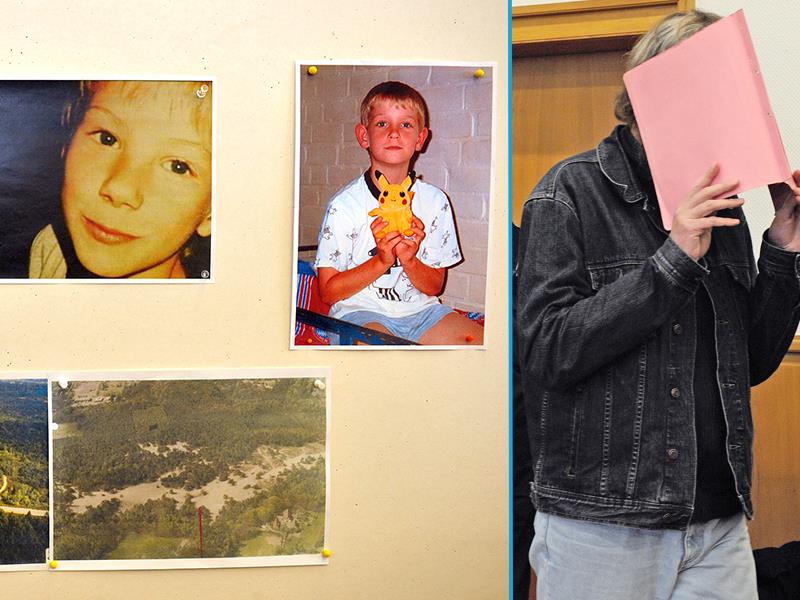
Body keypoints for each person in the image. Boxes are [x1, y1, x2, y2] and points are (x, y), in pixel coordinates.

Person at [515, 10, 800, 599]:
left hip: (719, 523)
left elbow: (749, 363)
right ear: (654, 94)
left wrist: (783, 244)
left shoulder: (725, 212)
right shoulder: (567, 195)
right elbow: (546, 353)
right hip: (603, 527)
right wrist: (673, 259)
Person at [314, 81, 483, 345]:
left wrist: (409, 259)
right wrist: (381, 261)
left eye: (405, 124)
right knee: (382, 355)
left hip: (422, 312)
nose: (394, 133)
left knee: (479, 344)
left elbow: (434, 287)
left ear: (420, 139)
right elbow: (327, 292)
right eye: (382, 124)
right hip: (359, 313)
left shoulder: (436, 202)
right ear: (363, 136)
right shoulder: (344, 206)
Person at [29, 80, 212, 279]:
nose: (119, 189)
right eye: (107, 138)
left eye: (178, 167)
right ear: (67, 143)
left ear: (212, 212)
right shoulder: (50, 249)